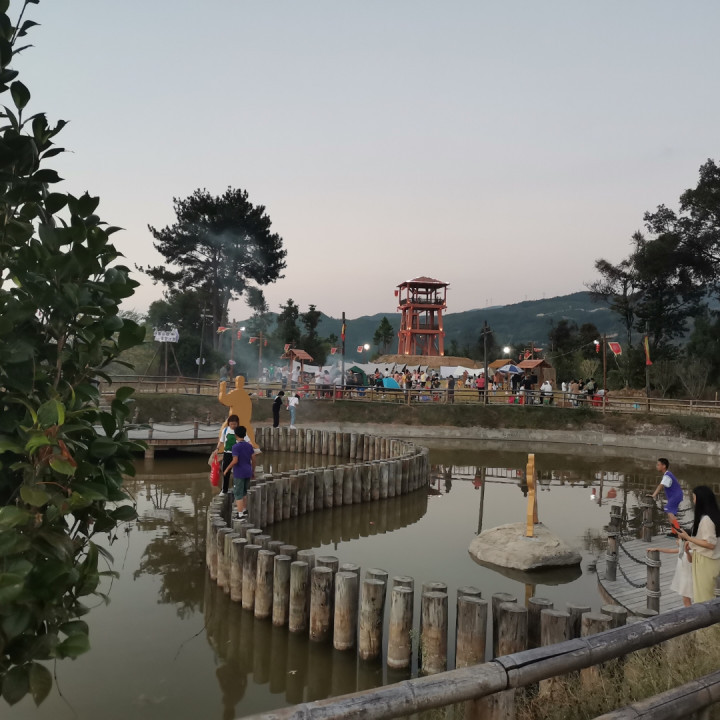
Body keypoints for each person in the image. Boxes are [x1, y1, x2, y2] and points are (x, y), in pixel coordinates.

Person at [677, 486, 720, 603]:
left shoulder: (706, 520)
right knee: (706, 596)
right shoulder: (715, 516)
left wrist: (688, 538)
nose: (693, 501)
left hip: (705, 561)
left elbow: (710, 544)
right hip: (711, 560)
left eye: (694, 498)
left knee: (704, 598)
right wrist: (690, 542)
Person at [648, 536, 693, 607]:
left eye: (678, 539)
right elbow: (670, 550)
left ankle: (691, 611)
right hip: (683, 577)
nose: (676, 541)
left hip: (688, 578)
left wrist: (687, 552)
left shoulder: (690, 551)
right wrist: (658, 549)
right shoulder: (681, 550)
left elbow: (690, 560)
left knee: (686, 598)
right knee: (685, 598)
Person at [222, 425, 255, 519]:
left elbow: (235, 460)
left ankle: (240, 515)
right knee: (244, 492)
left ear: (236, 435)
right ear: (245, 435)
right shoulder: (249, 446)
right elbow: (253, 458)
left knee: (238, 494)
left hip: (239, 473)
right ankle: (244, 510)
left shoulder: (235, 447)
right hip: (248, 471)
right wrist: (253, 470)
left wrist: (227, 469)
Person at [650, 458, 683, 526]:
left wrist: (653, 495)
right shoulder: (668, 474)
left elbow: (660, 485)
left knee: (669, 511)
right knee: (670, 514)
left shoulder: (667, 476)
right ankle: (674, 530)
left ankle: (678, 530)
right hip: (676, 496)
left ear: (664, 466)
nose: (656, 466)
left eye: (658, 465)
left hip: (675, 496)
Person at [216, 414, 239, 496]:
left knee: (237, 471)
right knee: (225, 471)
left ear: (237, 423)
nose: (233, 426)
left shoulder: (240, 431)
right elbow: (221, 441)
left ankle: (237, 487)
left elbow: (246, 441)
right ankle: (224, 489)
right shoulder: (225, 430)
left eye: (234, 424)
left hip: (237, 454)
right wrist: (217, 449)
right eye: (231, 424)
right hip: (227, 454)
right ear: (228, 423)